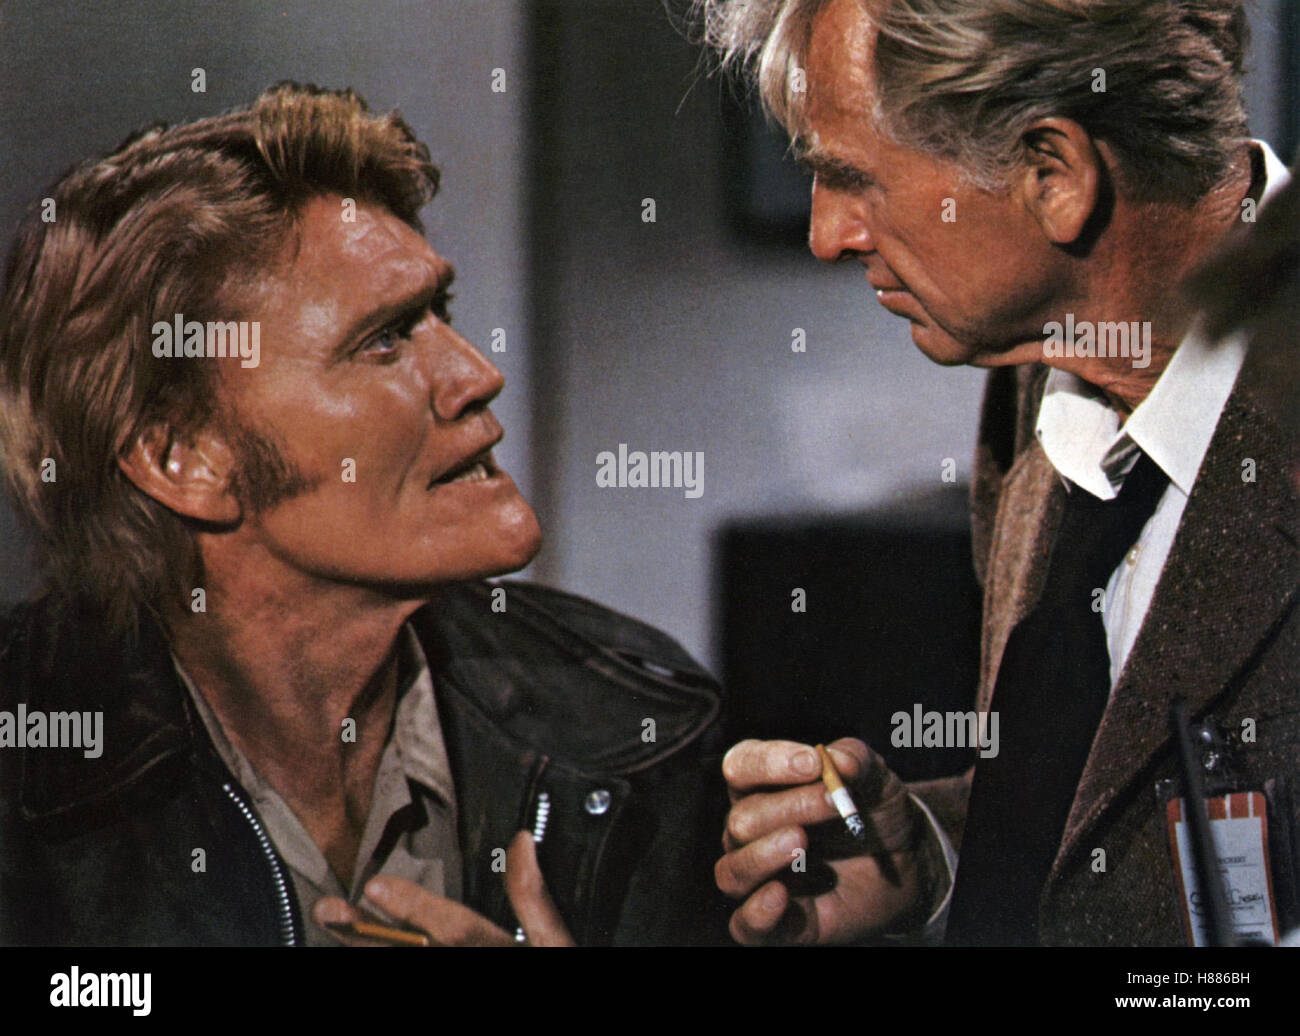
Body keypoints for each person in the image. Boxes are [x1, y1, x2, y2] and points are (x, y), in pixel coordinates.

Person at [0, 82, 726, 947]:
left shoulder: (639, 728)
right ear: (182, 459)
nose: (476, 375)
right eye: (383, 339)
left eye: (439, 313)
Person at [700, 0, 1297, 945]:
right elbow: (1110, 804)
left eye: (851, 179)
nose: (828, 234)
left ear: (1054, 176)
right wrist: (936, 861)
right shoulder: (1039, 384)